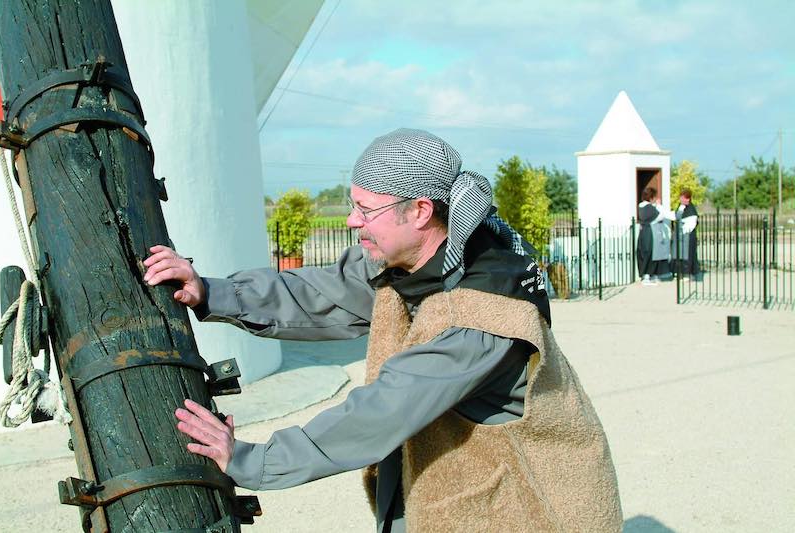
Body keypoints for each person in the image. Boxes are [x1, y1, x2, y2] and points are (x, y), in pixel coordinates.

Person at [143, 128, 622, 532]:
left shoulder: (482, 314)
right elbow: (319, 294)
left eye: (365, 209)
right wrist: (209, 291)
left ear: (419, 211)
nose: (352, 221)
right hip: (458, 492)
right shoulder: (413, 260)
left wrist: (250, 459)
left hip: (521, 508)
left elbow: (379, 413)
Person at [636, 186, 671, 285]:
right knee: (650, 252)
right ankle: (647, 276)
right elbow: (661, 216)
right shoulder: (649, 207)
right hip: (650, 232)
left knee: (643, 252)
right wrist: (659, 205)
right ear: (651, 197)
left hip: (643, 232)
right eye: (654, 197)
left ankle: (646, 275)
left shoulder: (641, 206)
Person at [674, 188, 700, 278]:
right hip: (681, 235)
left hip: (688, 235)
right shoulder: (681, 207)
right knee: (680, 253)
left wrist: (685, 230)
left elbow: (693, 223)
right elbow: (677, 217)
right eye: (680, 197)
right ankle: (680, 272)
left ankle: (688, 273)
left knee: (689, 254)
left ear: (688, 199)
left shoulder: (691, 209)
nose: (681, 199)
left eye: (683, 198)